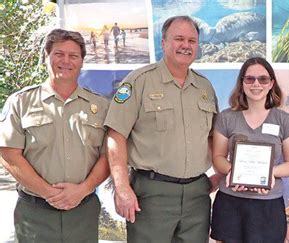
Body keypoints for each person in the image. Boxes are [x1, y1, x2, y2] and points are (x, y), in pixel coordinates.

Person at [105, 16, 219, 243]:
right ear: (163, 42)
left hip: (197, 196)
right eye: (178, 39)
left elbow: (212, 137)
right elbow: (115, 136)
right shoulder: (138, 82)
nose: (185, 45)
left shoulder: (204, 87)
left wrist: (222, 174)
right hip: (152, 195)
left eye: (191, 40)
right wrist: (121, 188)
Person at [0, 29, 110, 242]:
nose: (66, 61)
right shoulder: (20, 102)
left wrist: (82, 190)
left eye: (73, 56)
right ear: (46, 57)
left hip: (83, 211)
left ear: (81, 61)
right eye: (59, 54)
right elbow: (9, 155)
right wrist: (48, 193)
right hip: (34, 213)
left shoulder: (100, 106)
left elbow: (109, 156)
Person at [210, 57, 289, 243]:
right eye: (249, 79)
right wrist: (233, 172)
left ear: (271, 83)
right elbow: (218, 157)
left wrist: (268, 174)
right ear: (242, 83)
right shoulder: (226, 118)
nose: (256, 84)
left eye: (263, 79)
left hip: (268, 205)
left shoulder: (285, 120)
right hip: (231, 202)